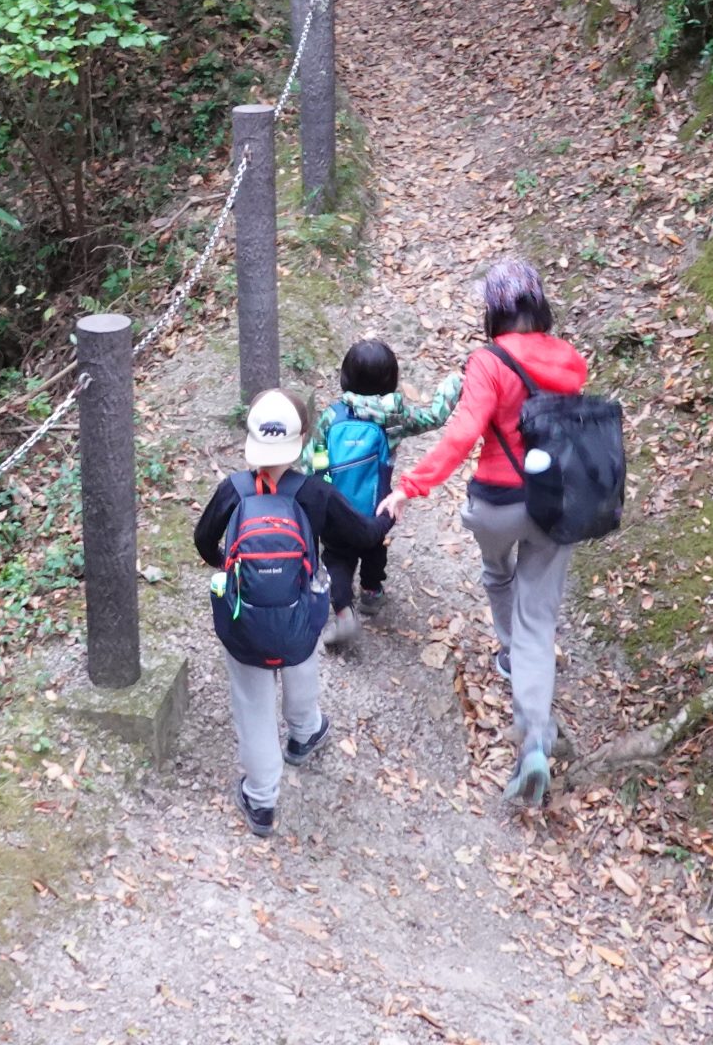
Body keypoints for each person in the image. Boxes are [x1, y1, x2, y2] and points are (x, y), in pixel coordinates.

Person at [379, 256, 588, 805]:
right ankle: (536, 739)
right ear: (538, 305)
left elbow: (463, 433)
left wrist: (410, 487)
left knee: (498, 573)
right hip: (555, 506)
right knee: (538, 621)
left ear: (494, 311)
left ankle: (506, 650)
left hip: (497, 503)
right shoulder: (570, 360)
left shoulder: (488, 362)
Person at [194, 390, 389, 836]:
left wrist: (231, 562)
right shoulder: (314, 493)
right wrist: (389, 513)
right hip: (300, 610)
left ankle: (261, 800)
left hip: (245, 621)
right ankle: (304, 733)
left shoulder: (233, 491)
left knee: (253, 702)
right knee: (302, 656)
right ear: (301, 443)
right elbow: (363, 535)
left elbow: (204, 542)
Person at [305, 336, 452, 645]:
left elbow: (312, 460)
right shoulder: (394, 418)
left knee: (336, 558)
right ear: (392, 381)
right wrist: (454, 385)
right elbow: (435, 418)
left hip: (335, 511)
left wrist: (322, 490)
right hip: (377, 508)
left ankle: (344, 610)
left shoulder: (332, 417)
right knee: (374, 547)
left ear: (345, 378)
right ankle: (372, 593)